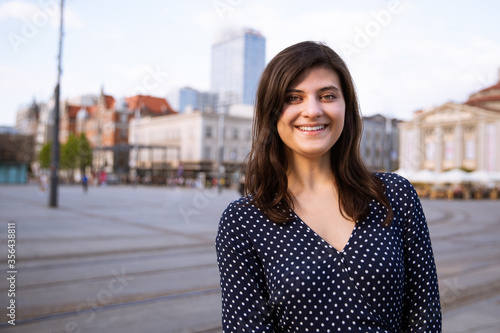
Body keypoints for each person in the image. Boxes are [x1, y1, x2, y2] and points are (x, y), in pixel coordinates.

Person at [215, 41, 441, 332]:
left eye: (327, 95)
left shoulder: (394, 194)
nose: (312, 110)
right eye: (293, 98)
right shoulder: (243, 221)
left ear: (346, 106)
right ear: (271, 113)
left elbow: (425, 313)